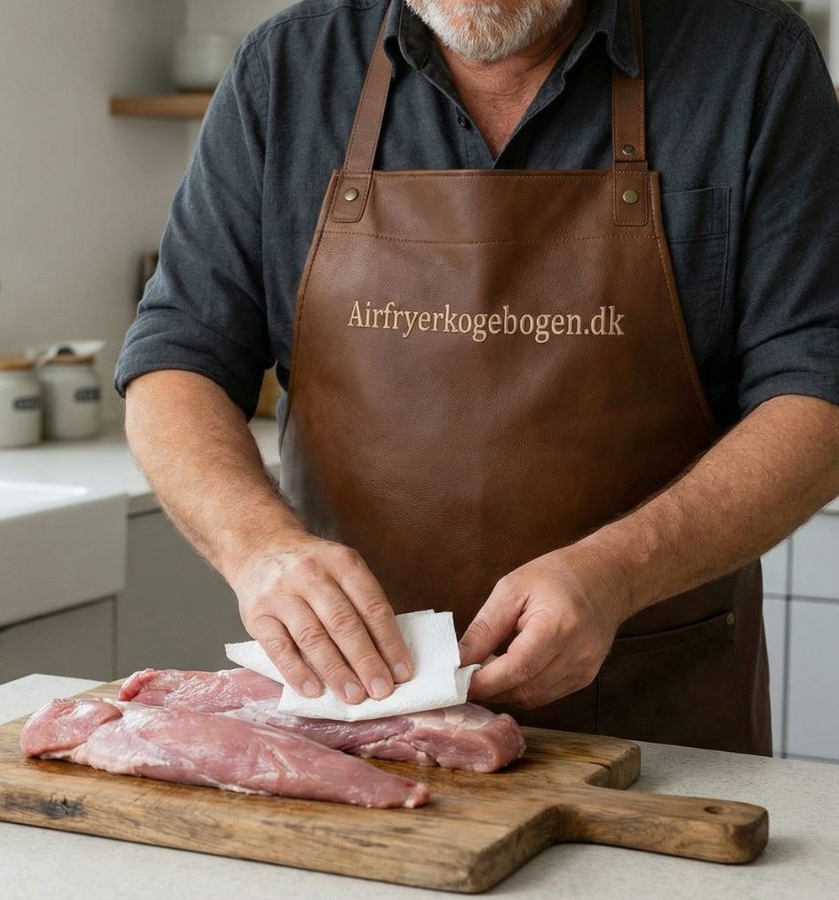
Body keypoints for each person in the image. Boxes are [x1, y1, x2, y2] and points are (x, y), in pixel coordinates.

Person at [114, 0, 839, 753]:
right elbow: (177, 357)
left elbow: (820, 391)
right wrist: (258, 547)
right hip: (354, 716)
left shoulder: (754, 64)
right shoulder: (287, 69)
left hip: (654, 721)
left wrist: (616, 573)